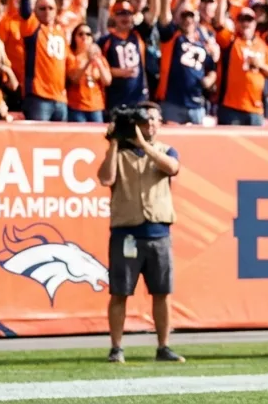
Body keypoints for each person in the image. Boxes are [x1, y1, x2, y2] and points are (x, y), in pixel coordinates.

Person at [97, 102, 186, 364]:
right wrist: (114, 141)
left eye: (155, 119)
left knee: (162, 292)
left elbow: (172, 167)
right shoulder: (119, 152)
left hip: (158, 231)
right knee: (120, 292)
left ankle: (163, 346)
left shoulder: (165, 149)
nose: (150, 124)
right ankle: (116, 347)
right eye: (145, 120)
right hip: (126, 232)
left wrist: (143, 145)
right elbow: (105, 177)